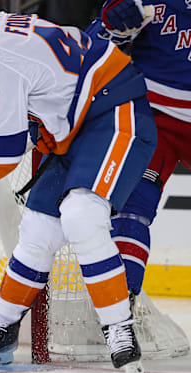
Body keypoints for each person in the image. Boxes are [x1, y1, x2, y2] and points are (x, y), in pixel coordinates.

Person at [0, 0, 157, 373]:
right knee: (37, 230)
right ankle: (1, 327)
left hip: (114, 110)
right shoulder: (4, 25)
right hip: (79, 122)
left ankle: (118, 328)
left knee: (82, 215)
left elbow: (2, 153)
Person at [86, 1, 191, 302]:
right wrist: (110, 28)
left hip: (158, 114)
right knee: (133, 204)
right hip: (157, 118)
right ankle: (121, 308)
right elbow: (86, 51)